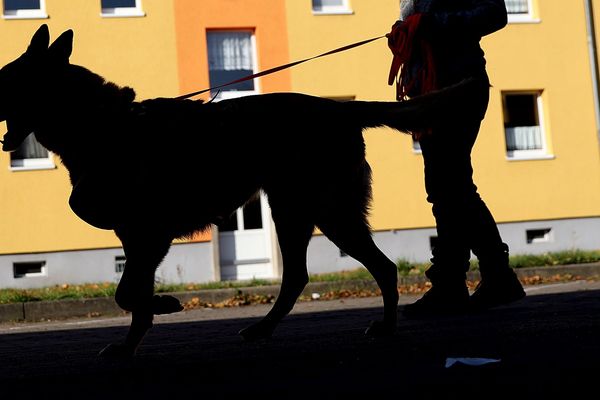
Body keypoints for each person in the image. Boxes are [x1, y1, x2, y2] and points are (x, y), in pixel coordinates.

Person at [387, 0, 526, 318]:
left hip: (460, 86)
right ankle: (459, 281)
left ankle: (486, 277)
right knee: (444, 188)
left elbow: (494, 14)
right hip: (429, 89)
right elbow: (417, 21)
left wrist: (433, 25)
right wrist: (405, 30)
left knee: (452, 186)